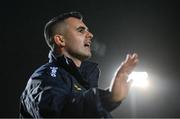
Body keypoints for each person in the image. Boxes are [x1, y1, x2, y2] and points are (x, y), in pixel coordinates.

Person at [19, 11, 138, 118]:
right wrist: (107, 98)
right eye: (81, 30)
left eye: (87, 30)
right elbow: (57, 111)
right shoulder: (44, 77)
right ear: (60, 40)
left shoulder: (84, 83)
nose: (90, 35)